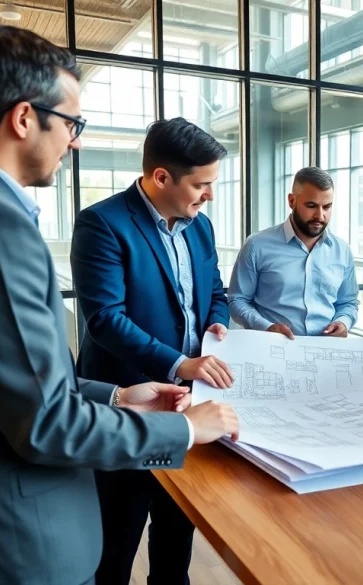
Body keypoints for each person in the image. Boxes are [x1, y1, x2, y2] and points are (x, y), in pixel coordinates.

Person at [0, 25, 238, 585]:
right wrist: (187, 431)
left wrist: (114, 394)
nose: (76, 140)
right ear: (23, 118)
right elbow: (44, 420)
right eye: (72, 122)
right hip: (7, 539)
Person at [71, 117, 237, 585]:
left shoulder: (200, 228)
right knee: (116, 546)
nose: (209, 196)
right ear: (161, 177)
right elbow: (105, 319)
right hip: (130, 406)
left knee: (175, 541)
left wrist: (217, 320)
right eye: (201, 185)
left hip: (189, 408)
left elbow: (215, 291)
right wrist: (180, 361)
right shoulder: (102, 223)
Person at [229, 167, 359, 338]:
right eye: (311, 206)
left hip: (326, 352)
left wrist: (343, 322)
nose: (320, 215)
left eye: (327, 207)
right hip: (272, 349)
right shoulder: (256, 245)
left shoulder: (342, 251)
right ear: (292, 201)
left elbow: (348, 302)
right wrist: (266, 327)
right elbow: (237, 300)